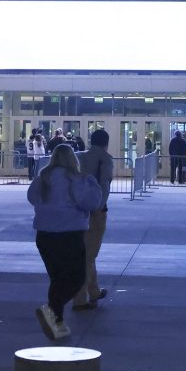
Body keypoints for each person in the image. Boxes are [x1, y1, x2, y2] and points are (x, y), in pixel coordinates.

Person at [28, 143, 102, 341]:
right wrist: (93, 184)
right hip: (69, 235)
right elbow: (91, 202)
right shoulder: (77, 179)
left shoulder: (43, 178)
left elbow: (31, 197)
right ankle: (51, 311)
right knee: (76, 278)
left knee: (57, 279)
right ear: (73, 159)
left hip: (44, 235)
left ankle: (57, 323)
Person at [74, 129, 115, 311]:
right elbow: (104, 185)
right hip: (96, 211)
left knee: (86, 253)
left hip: (78, 211)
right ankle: (80, 298)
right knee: (89, 255)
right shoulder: (105, 159)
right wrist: (98, 207)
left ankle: (94, 291)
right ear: (106, 142)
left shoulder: (81, 157)